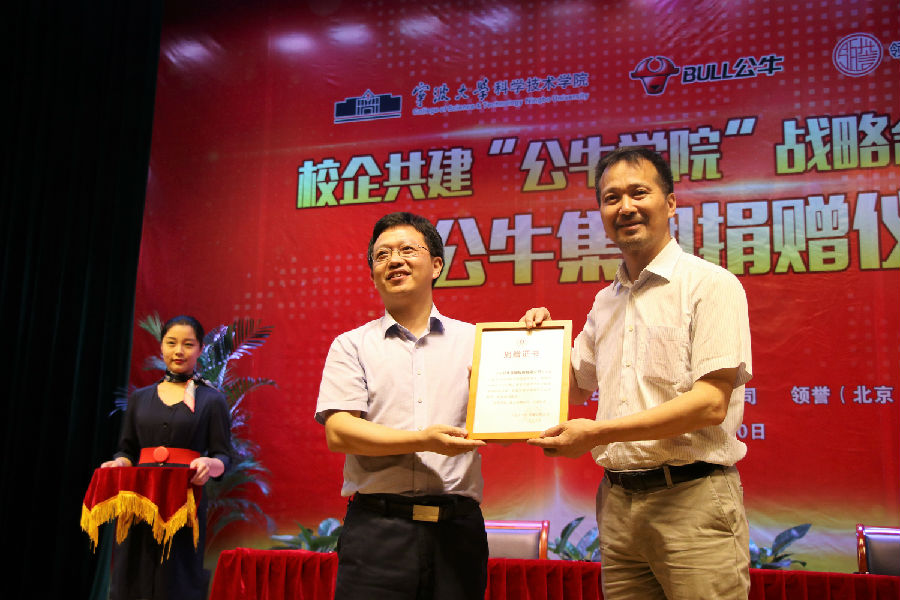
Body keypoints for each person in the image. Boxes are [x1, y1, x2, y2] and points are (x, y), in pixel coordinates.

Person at [522, 147, 752, 599]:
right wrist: (534, 346)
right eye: (611, 198)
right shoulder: (605, 301)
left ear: (670, 203)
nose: (625, 207)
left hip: (692, 500)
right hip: (618, 504)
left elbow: (710, 403)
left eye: (638, 193)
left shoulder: (710, 285)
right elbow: (572, 385)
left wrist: (597, 433)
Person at [315, 211, 488, 600]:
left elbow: (508, 419)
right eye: (382, 255)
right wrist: (423, 440)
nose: (394, 260)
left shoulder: (477, 341)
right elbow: (340, 432)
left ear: (436, 266)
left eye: (408, 250)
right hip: (377, 532)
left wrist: (530, 339)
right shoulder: (351, 346)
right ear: (373, 274)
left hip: (457, 534)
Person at [100, 315, 233, 600]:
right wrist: (119, 463)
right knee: (132, 575)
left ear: (200, 349)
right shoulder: (140, 398)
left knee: (176, 578)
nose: (179, 351)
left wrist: (210, 464)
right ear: (161, 346)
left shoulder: (211, 400)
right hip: (139, 501)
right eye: (171, 343)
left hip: (183, 505)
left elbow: (223, 456)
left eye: (188, 344)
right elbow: (127, 449)